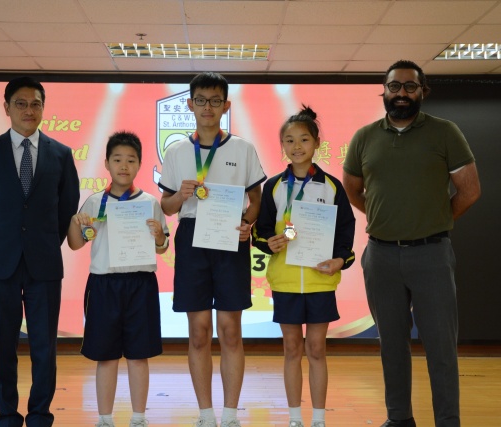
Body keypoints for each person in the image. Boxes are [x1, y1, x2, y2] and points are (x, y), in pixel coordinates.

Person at [342, 60, 481, 427]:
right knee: (391, 345)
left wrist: (435, 221)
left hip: (432, 255)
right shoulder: (364, 137)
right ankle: (399, 419)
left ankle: (447, 421)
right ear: (384, 91)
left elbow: (469, 190)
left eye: (409, 86)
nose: (401, 93)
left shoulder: (445, 132)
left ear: (422, 92)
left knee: (440, 347)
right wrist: (385, 217)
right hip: (381, 256)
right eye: (394, 86)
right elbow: (352, 189)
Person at [0, 76, 80, 427]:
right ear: (6, 108)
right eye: (21, 103)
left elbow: (67, 207)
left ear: (43, 108)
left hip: (43, 263)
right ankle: (7, 415)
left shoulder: (61, 154)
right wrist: (5, 239)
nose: (29, 110)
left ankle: (39, 415)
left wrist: (43, 241)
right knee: (2, 346)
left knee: (44, 346)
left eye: (35, 104)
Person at [158, 72, 266, 427]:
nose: (208, 107)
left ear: (226, 105)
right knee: (199, 330)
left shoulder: (242, 148)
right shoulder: (176, 151)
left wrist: (247, 224)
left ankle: (231, 414)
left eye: (215, 101)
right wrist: (180, 195)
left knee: (231, 329)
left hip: (230, 238)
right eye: (201, 100)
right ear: (190, 104)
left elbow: (255, 199)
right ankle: (206, 414)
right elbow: (167, 207)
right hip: (192, 238)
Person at [252, 106, 356, 427]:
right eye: (289, 140)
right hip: (285, 282)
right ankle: (295, 418)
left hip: (320, 281)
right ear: (282, 145)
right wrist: (270, 242)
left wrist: (339, 260)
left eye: (304, 139)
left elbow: (345, 232)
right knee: (291, 349)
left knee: (317, 349)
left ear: (317, 143)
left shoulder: (332, 186)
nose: (296, 146)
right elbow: (260, 230)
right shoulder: (273, 186)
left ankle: (319, 419)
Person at [67, 131, 169, 427]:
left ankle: (138, 418)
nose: (124, 166)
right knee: (106, 356)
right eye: (117, 159)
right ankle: (105, 419)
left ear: (139, 165)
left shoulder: (150, 202)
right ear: (107, 164)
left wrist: (159, 236)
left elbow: (162, 247)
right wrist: (75, 222)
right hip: (104, 286)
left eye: (131, 160)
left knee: (139, 355)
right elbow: (75, 243)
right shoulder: (93, 203)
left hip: (141, 284)